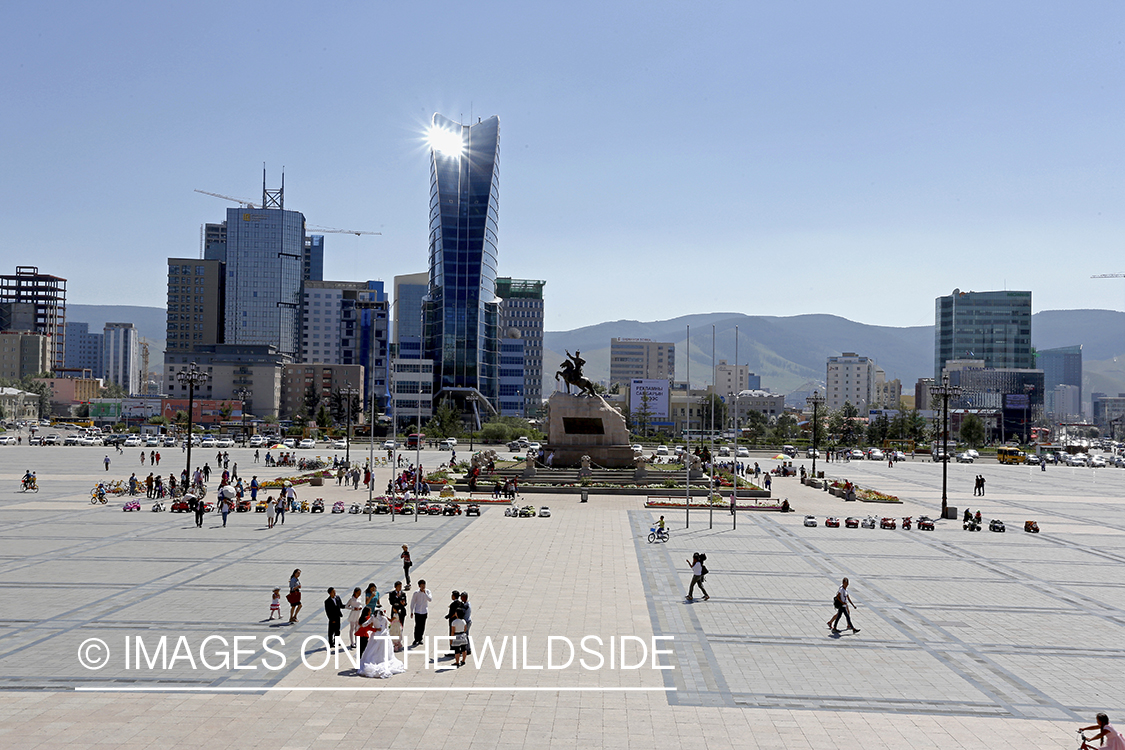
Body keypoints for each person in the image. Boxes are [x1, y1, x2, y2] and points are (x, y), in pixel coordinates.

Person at [358, 607, 404, 679]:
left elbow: (365, 624)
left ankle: (373, 660)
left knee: (372, 650)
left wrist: (361, 625)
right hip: (384, 635)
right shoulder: (384, 618)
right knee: (384, 650)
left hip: (375, 635)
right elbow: (387, 626)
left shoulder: (373, 617)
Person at [409, 579, 432, 648]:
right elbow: (413, 602)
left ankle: (420, 638)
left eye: (424, 585)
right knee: (417, 626)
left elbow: (430, 599)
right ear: (419, 586)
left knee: (422, 626)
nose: (423, 587)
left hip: (424, 611)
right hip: (418, 612)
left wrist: (425, 593)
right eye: (421, 586)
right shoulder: (416, 593)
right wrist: (411, 611)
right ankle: (416, 639)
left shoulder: (428, 591)